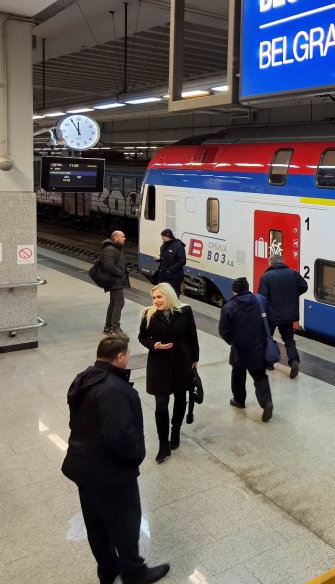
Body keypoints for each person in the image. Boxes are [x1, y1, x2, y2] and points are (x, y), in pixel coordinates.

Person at [61, 336, 170, 584]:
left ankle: (107, 570)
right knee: (126, 523)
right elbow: (119, 434)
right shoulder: (115, 390)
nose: (129, 356)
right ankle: (134, 573)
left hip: (82, 465)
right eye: (128, 353)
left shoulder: (84, 378)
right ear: (120, 357)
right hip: (110, 472)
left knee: (96, 524)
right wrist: (136, 456)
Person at [137, 283, 199, 463]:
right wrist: (154, 345)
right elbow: (142, 336)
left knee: (180, 398)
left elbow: (192, 336)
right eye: (154, 297)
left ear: (169, 296)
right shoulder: (148, 314)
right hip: (159, 363)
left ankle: (176, 430)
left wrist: (194, 359)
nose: (156, 301)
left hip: (181, 361)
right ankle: (163, 443)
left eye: (159, 297)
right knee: (161, 405)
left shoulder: (185, 311)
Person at [219, 277, 273, 422]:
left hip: (239, 349)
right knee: (260, 376)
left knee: (238, 375)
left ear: (234, 290)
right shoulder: (260, 300)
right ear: (248, 288)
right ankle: (266, 402)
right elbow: (270, 319)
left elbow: (223, 331)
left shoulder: (228, 307)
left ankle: (239, 400)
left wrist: (233, 342)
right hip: (259, 346)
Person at [258, 253, 308, 378]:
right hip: (288, 313)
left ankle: (269, 363)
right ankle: (294, 360)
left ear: (271, 262)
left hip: (272, 314)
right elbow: (304, 286)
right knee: (289, 339)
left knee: (267, 338)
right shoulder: (293, 274)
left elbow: (262, 297)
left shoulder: (266, 276)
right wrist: (293, 294)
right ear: (282, 261)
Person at [100, 231, 130, 339]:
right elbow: (109, 266)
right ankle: (115, 327)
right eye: (122, 237)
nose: (124, 238)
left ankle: (108, 327)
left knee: (113, 303)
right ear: (116, 238)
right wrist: (121, 273)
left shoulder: (116, 248)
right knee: (120, 302)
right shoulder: (109, 249)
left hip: (117, 280)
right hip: (114, 281)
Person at [154, 229, 186, 297]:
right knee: (163, 296)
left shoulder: (178, 246)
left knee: (173, 297)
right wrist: (159, 258)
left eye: (163, 236)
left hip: (173, 278)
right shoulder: (164, 245)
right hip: (163, 276)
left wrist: (169, 270)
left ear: (167, 236)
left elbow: (182, 261)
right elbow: (164, 257)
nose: (162, 238)